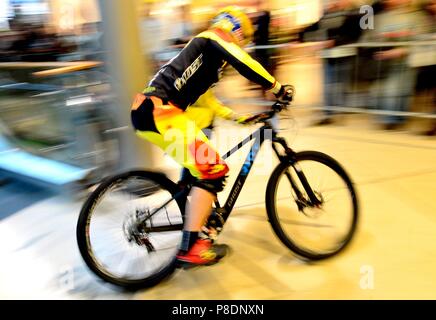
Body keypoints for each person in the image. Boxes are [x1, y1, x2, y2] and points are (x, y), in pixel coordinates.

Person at [130, 6, 294, 268]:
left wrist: (242, 118)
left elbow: (210, 101)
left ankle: (195, 225)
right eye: (245, 37)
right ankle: (192, 248)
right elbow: (244, 61)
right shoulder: (213, 36)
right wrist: (276, 87)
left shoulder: (205, 57)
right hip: (161, 113)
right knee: (214, 170)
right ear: (236, 29)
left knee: (201, 170)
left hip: (152, 112)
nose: (243, 43)